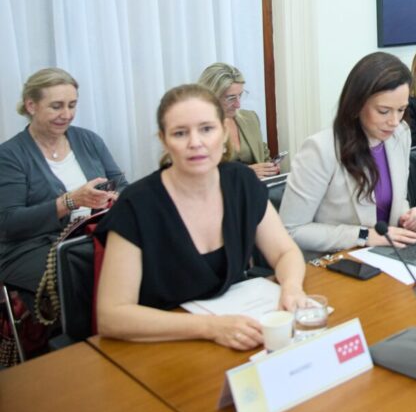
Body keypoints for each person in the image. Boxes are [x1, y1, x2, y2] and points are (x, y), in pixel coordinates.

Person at [95, 84, 307, 350]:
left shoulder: (241, 182)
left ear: (223, 131)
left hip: (240, 331)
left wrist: (291, 287)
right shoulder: (136, 205)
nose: (195, 143)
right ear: (164, 140)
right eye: (180, 133)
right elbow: (112, 316)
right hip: (166, 342)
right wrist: (210, 327)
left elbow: (285, 252)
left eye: (207, 129)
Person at [280, 53, 416, 252]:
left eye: (401, 110)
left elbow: (396, 199)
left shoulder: (400, 134)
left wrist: (407, 216)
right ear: (357, 105)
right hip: (338, 263)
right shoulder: (321, 149)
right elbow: (291, 230)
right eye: (383, 111)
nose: (394, 121)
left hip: (388, 255)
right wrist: (364, 236)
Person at [0, 68, 125, 300]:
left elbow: (122, 186)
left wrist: (117, 198)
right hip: (29, 249)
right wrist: (70, 201)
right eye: (57, 106)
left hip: (90, 236)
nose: (67, 114)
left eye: (72, 105)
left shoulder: (88, 140)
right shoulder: (9, 155)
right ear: (31, 106)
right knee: (92, 271)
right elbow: (9, 223)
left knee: (138, 256)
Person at [198, 63, 279, 179]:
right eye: (230, 98)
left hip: (256, 191)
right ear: (209, 96)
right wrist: (244, 173)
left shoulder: (250, 118)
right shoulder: (196, 129)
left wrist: (270, 168)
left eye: (240, 96)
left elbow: (264, 156)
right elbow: (195, 175)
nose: (238, 104)